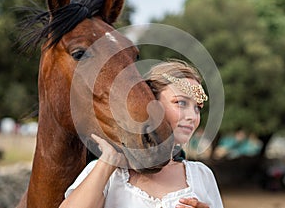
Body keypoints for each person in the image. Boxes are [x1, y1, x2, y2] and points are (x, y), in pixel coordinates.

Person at [59, 59, 224, 208]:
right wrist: (109, 160)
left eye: (198, 108)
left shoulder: (202, 175)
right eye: (181, 103)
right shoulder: (109, 173)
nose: (192, 117)